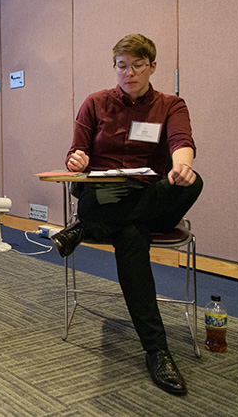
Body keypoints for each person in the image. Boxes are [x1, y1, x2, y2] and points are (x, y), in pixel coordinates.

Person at [50, 34, 203, 396]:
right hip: (101, 197)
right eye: (122, 65)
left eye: (137, 65)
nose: (129, 72)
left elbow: (182, 143)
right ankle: (157, 351)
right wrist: (78, 160)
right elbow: (76, 153)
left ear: (152, 66)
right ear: (114, 66)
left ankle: (83, 229)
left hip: (150, 197)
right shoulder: (95, 103)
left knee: (193, 183)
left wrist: (182, 167)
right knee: (132, 235)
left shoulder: (170, 104)